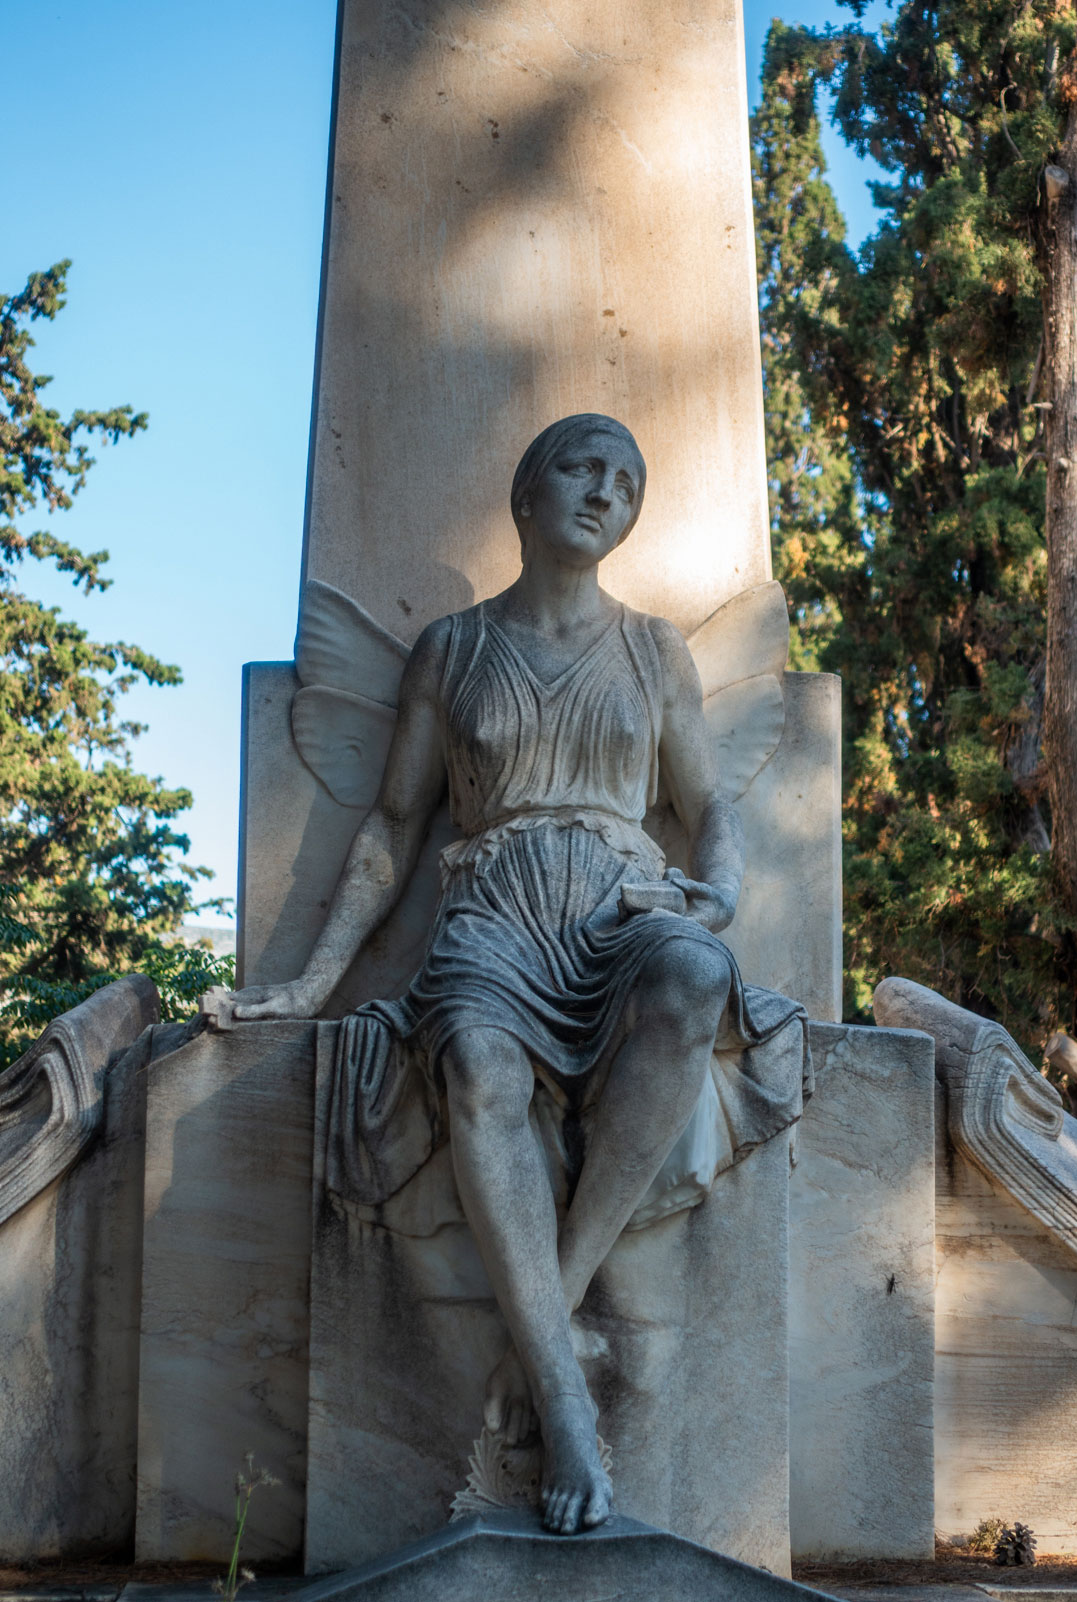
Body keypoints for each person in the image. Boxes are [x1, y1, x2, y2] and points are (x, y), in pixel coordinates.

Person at [233, 414, 806, 1536]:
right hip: (493, 914)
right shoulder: (451, 648)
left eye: (627, 484)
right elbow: (392, 826)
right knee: (476, 1061)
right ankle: (564, 1403)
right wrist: (308, 984)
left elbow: (711, 808)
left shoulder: (655, 651)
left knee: (695, 978)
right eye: (583, 469)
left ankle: (539, 1331)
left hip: (622, 902)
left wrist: (721, 893)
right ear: (526, 494)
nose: (605, 494)